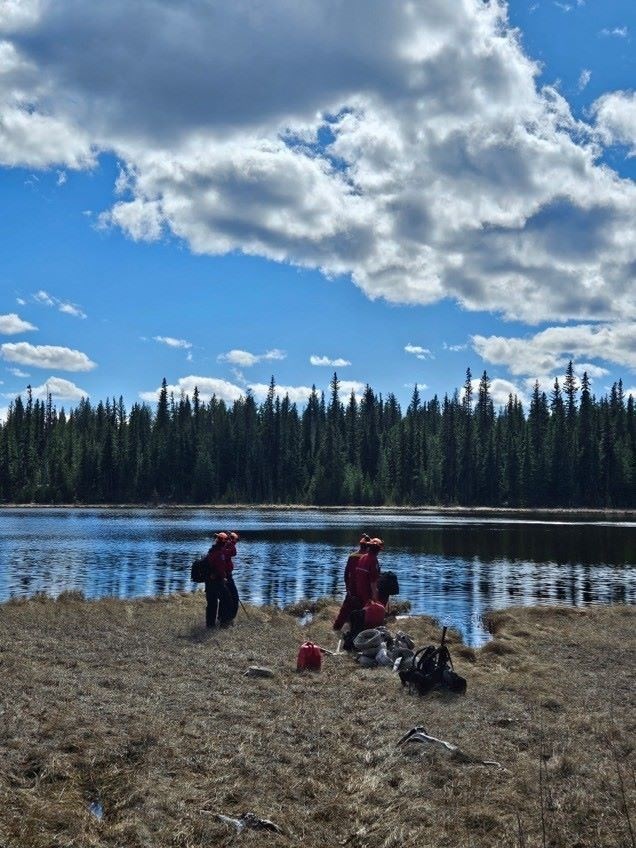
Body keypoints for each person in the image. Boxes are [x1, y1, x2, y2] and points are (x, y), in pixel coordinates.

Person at [333, 534, 370, 631]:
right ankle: (361, 628)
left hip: (352, 588)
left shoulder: (352, 556)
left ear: (360, 545)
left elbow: (346, 574)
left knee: (344, 611)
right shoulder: (369, 558)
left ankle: (337, 627)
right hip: (364, 590)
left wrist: (347, 587)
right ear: (368, 547)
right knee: (364, 610)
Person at [204, 532, 232, 628]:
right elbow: (220, 568)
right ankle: (224, 623)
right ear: (223, 542)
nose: (226, 543)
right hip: (217, 581)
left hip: (208, 582)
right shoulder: (220, 553)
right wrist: (223, 577)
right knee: (227, 600)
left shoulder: (211, 550)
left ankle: (210, 625)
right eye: (225, 541)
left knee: (212, 603)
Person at [223, 530, 241, 623]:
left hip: (224, 576)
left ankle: (223, 619)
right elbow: (233, 552)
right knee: (234, 598)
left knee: (225, 598)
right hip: (226, 577)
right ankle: (229, 619)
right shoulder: (224, 548)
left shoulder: (219, 547)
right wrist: (232, 541)